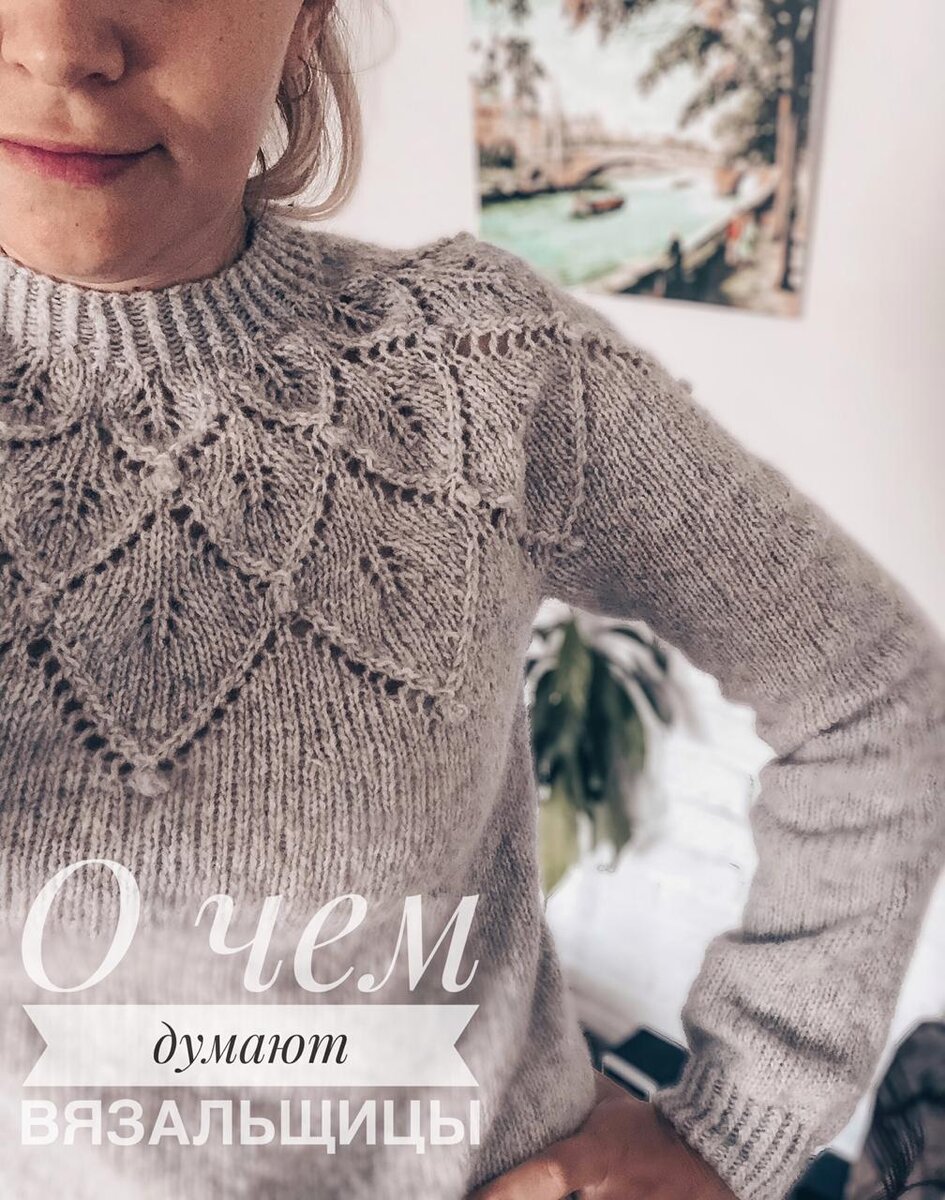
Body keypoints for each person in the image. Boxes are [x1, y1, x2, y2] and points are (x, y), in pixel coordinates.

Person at [0, 3, 942, 1199]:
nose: (57, 45)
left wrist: (732, 1128)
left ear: (306, 18)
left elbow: (872, 691)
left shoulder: (483, 373)